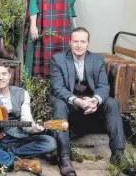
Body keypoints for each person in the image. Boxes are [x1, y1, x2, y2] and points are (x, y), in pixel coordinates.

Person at [49, 27, 128, 176]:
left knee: (112, 103)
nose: (79, 45)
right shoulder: (57, 59)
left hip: (90, 100)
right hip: (68, 101)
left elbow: (103, 86)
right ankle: (63, 156)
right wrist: (78, 101)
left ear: (88, 43)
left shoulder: (97, 59)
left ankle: (118, 154)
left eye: (83, 41)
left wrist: (95, 100)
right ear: (70, 42)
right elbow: (57, 88)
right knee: (58, 104)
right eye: (75, 41)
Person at [24, 0, 77, 78]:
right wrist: (33, 25)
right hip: (45, 25)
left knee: (63, 59)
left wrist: (75, 30)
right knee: (44, 58)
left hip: (64, 27)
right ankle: (39, 90)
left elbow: (71, 8)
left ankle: (61, 89)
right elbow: (33, 3)